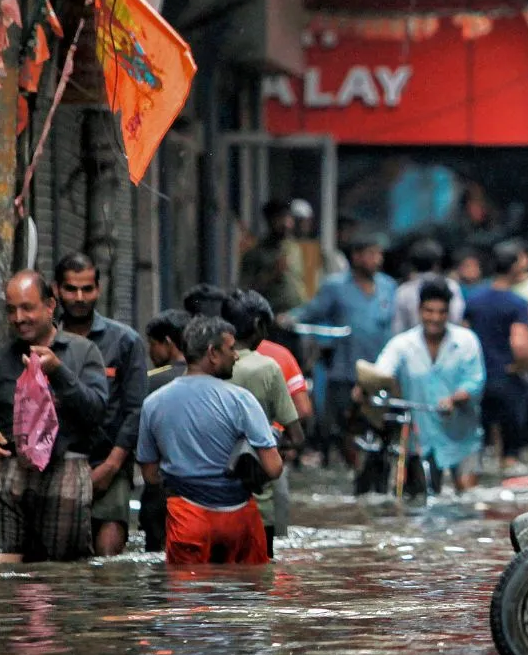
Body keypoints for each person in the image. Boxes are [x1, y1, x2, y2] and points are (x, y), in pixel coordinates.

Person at [0, 270, 109, 563]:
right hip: (10, 473)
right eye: (11, 310)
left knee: (59, 574)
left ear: (50, 306)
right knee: (0, 570)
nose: (19, 318)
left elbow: (96, 412)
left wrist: (58, 372)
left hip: (65, 470)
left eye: (27, 308)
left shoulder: (83, 352)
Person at [136, 316, 284, 565]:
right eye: (231, 349)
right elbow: (274, 468)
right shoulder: (241, 400)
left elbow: (150, 476)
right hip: (239, 521)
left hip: (187, 518)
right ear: (212, 353)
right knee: (248, 588)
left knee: (188, 588)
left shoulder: (153, 403)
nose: (236, 356)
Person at [54, 252, 148, 557]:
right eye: (71, 289)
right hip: (56, 464)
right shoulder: (45, 340)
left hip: (108, 461)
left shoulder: (124, 341)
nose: (80, 298)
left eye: (87, 289)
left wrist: (111, 466)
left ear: (98, 289)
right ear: (57, 290)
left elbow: (135, 410)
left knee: (107, 559)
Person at [286, 233, 396, 464]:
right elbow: (312, 311)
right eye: (371, 254)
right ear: (356, 256)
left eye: (379, 254)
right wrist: (288, 319)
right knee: (345, 424)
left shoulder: (388, 286)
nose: (377, 259)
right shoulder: (335, 286)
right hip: (346, 367)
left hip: (379, 369)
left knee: (381, 424)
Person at [372, 277, 486, 493]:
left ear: (448, 313)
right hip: (420, 439)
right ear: (419, 310)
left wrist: (454, 399)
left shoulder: (466, 341)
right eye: (429, 311)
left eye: (441, 312)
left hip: (462, 437)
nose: (435, 318)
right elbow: (382, 371)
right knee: (421, 497)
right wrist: (369, 384)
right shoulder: (402, 344)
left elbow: (475, 381)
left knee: (468, 498)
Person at [222, 290, 305, 559]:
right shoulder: (267, 367)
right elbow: (297, 434)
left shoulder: (209, 364)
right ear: (258, 325)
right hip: (257, 502)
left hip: (208, 502)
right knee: (260, 575)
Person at [463, 240, 528, 468]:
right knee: (510, 455)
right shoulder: (517, 303)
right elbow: (520, 346)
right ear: (514, 267)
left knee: (480, 450)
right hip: (507, 378)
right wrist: (526, 367)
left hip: (477, 381)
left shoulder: (473, 299)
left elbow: (463, 339)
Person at [141, 309, 193, 553]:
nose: (150, 352)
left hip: (161, 490)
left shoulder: (149, 381)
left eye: (153, 344)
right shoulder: (212, 379)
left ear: (168, 343)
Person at [238, 199, 306, 316]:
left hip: (296, 315)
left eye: (288, 218)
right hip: (271, 317)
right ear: (270, 221)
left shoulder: (294, 248)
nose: (286, 224)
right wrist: (272, 274)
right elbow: (246, 292)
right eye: (280, 219)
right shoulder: (255, 253)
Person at [393, 238, 465, 333]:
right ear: (437, 264)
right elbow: (457, 318)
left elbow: (398, 327)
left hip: (418, 340)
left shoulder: (403, 291)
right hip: (431, 338)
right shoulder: (452, 286)